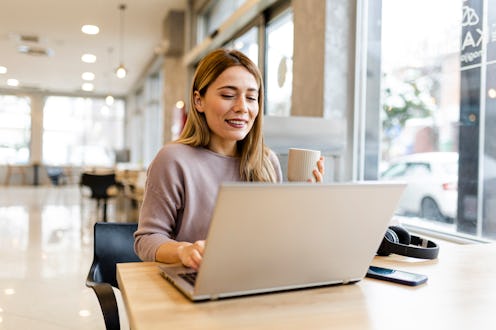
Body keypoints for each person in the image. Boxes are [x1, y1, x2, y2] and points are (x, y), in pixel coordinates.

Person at [134, 48, 325, 270]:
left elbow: (274, 239)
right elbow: (147, 239)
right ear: (199, 101)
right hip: (193, 281)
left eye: (252, 97)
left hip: (253, 278)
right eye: (228, 95)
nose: (242, 107)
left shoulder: (266, 162)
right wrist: (183, 250)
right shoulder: (172, 160)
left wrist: (307, 205)